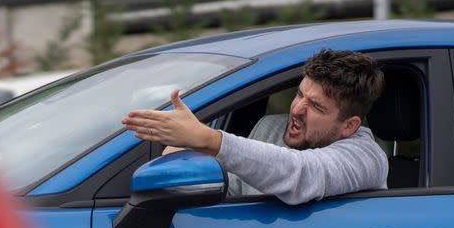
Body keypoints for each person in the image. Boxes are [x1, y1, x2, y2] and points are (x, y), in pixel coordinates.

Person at [121, 49, 388, 205]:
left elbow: (302, 174)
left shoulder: (367, 158)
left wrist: (208, 139)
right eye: (299, 94)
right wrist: (184, 158)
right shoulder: (270, 128)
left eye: (316, 107)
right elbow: (233, 189)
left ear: (349, 126)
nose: (296, 109)